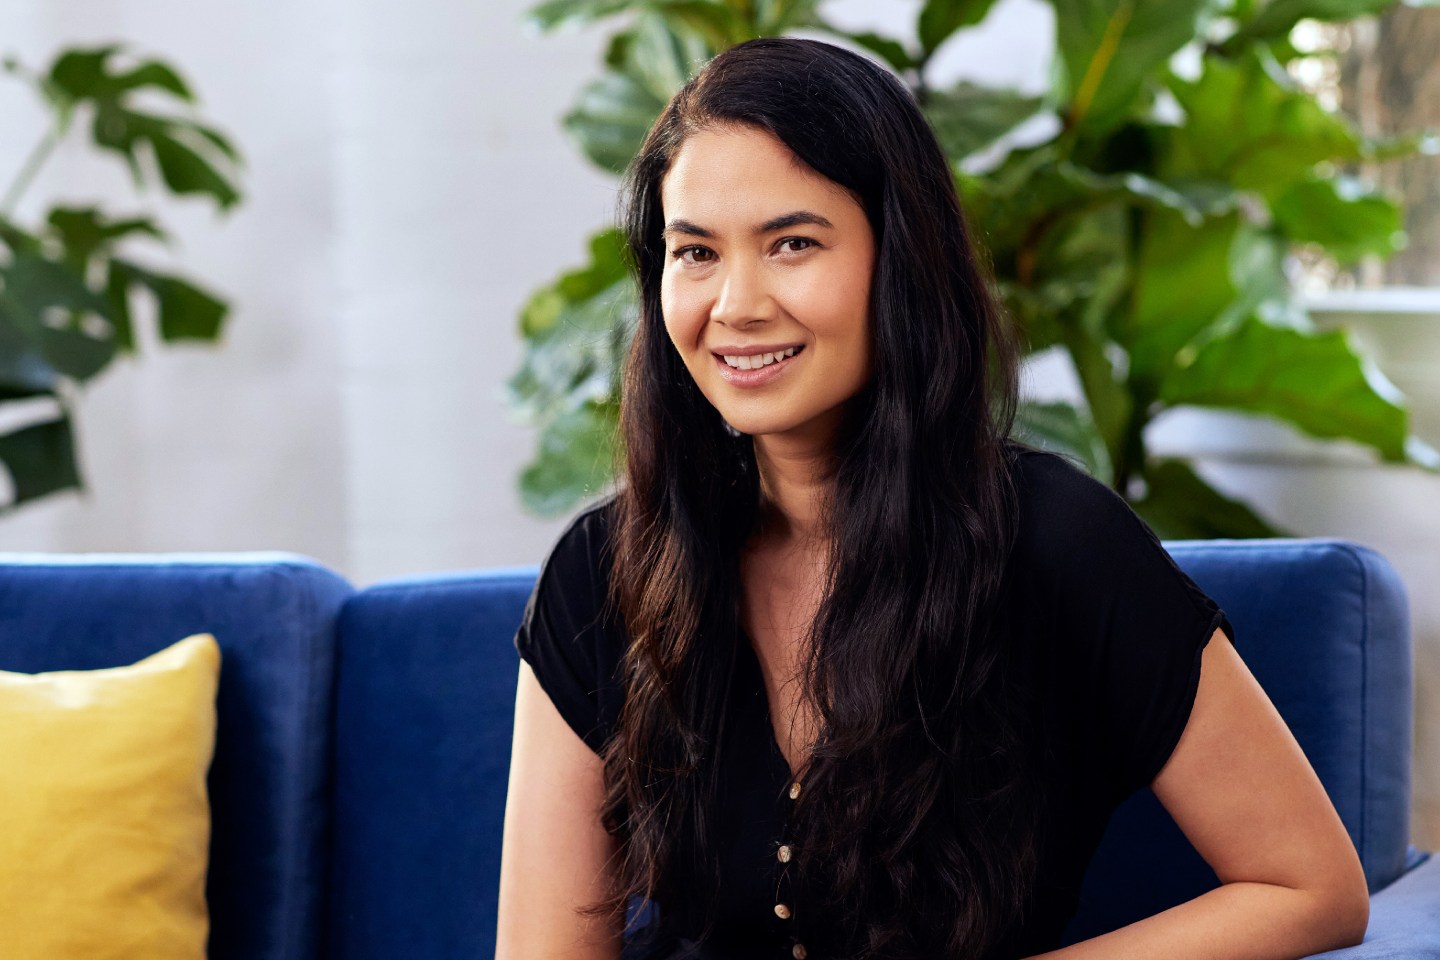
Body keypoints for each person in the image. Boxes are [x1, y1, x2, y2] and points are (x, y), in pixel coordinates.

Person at [496, 36, 1369, 960]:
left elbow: (1308, 885)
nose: (737, 304)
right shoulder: (607, 569)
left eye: (792, 243)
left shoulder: (1056, 543)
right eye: (696, 253)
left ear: (898, 259)